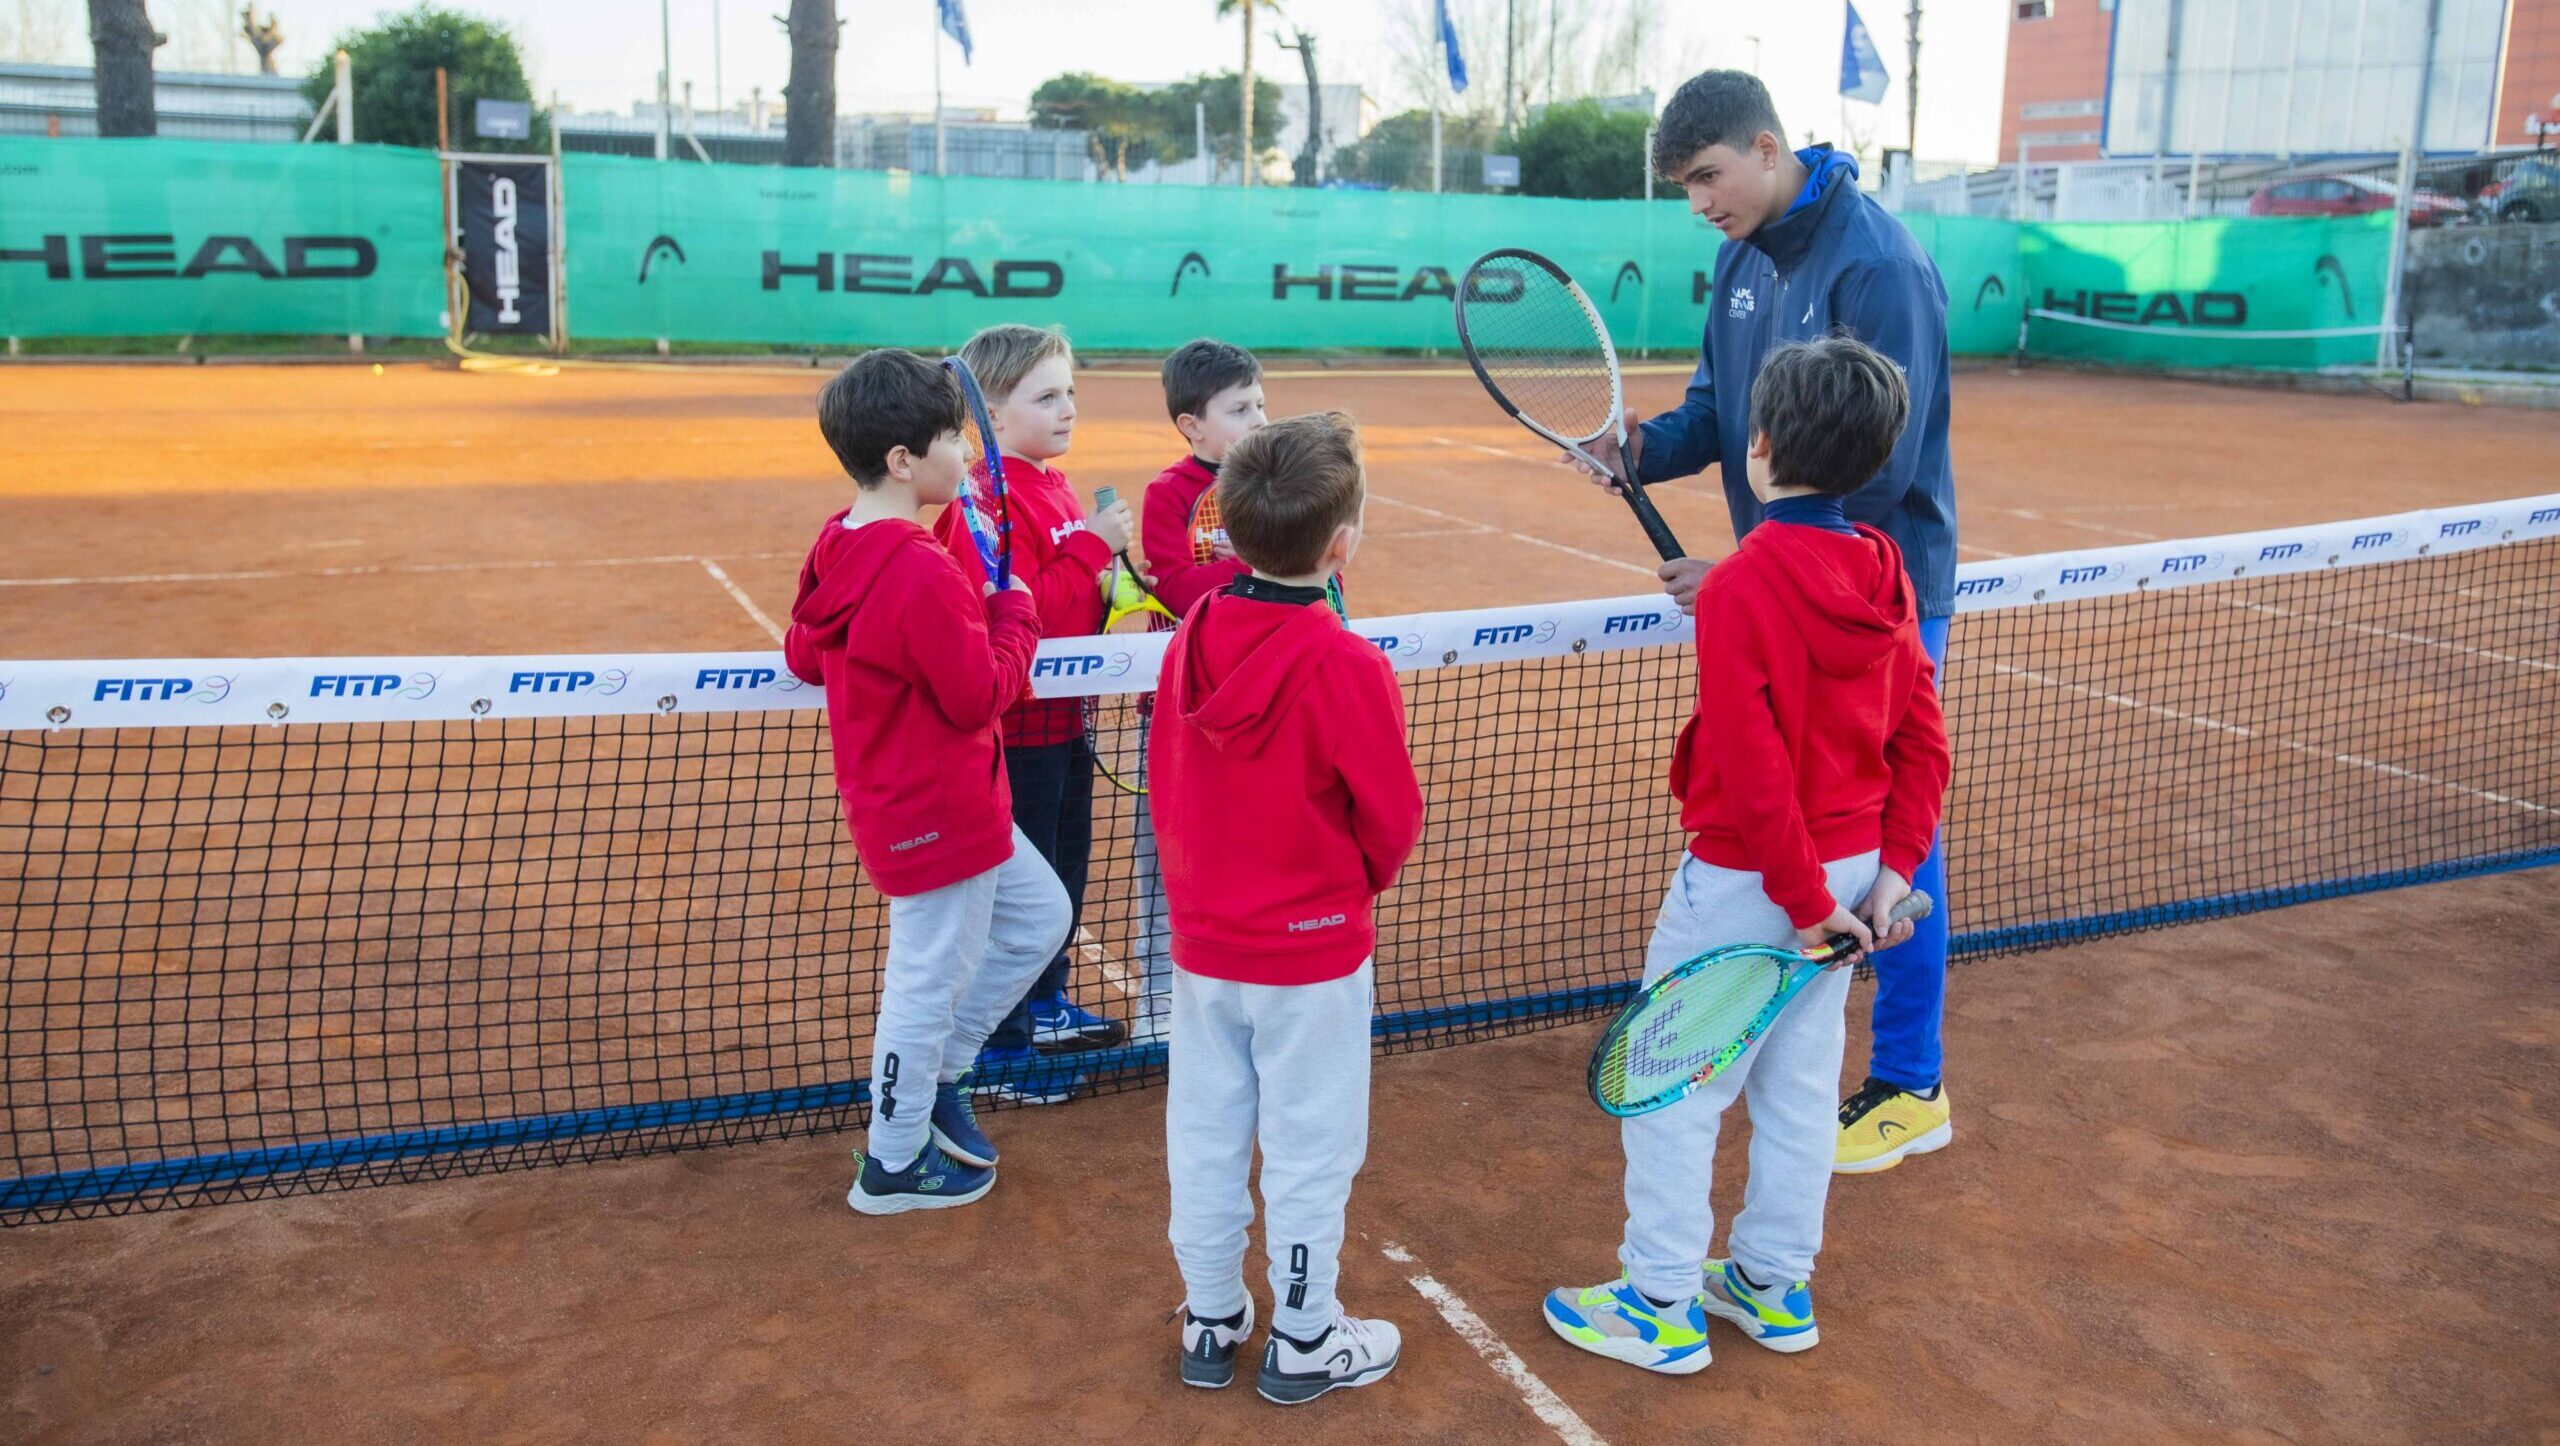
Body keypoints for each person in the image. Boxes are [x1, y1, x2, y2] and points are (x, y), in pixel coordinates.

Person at [1576, 70, 1962, 1173]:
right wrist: (1642, 447)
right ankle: (1797, 1008)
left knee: (1894, 815)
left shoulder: (1878, 263)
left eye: (1708, 176)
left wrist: (1757, 577)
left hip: (1882, 584)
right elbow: (1718, 411)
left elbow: (1878, 456)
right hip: (1785, 573)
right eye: (1685, 188)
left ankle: (1906, 1078)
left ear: (1764, 145)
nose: (1700, 202)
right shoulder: (1740, 256)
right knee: (1810, 819)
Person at [1544, 336, 1952, 1371]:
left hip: (1749, 881)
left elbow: (1752, 763)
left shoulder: (1740, 594)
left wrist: (1801, 895)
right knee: (1799, 1085)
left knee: (1674, 1084)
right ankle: (1771, 1285)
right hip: (1859, 872)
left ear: (1758, 444)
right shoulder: (1884, 568)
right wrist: (1890, 875)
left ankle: (1660, 1302)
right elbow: (1922, 737)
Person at [1148, 412, 1426, 1405]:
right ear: (1341, 544)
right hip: (1309, 959)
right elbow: (1391, 818)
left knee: (1206, 1132)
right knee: (1310, 1148)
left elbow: (1168, 776)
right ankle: (1305, 1336)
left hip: (1205, 948)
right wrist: (1341, 896)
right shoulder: (1347, 662)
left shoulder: (1191, 633)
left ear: (1225, 529)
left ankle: (1213, 1313)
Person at [781, 349, 1070, 1214]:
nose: (969, 454)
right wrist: (1014, 614)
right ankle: (895, 1159)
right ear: (904, 461)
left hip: (946, 804)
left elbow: (805, 650)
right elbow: (981, 691)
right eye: (954, 438)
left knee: (1041, 915)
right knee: (923, 978)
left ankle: (940, 1074)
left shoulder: (842, 538)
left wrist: (966, 616)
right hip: (934, 812)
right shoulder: (917, 567)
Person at [931, 324, 1140, 1082]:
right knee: (1022, 897)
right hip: (1018, 734)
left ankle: (1046, 1002)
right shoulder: (989, 498)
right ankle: (1004, 1039)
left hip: (1068, 724)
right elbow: (1021, 609)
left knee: (1067, 869)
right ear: (988, 410)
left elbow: (1079, 595)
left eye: (1070, 393)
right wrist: (1090, 548)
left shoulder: (1055, 484)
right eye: (1046, 396)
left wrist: (1118, 587)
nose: (1068, 409)